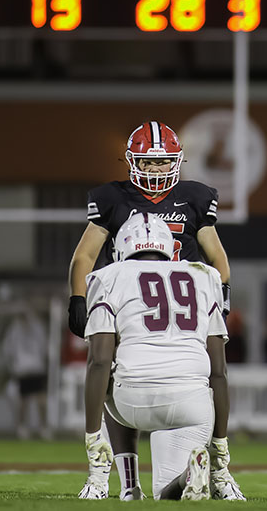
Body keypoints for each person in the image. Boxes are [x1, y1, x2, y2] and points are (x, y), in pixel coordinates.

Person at [67, 121, 244, 501]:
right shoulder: (115, 198)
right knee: (209, 377)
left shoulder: (191, 200)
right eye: (147, 163)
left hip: (161, 312)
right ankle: (217, 472)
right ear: (132, 163)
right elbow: (84, 254)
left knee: (108, 372)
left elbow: (217, 255)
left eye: (163, 162)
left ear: (177, 162)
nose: (156, 170)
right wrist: (220, 298)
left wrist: (83, 298)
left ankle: (111, 480)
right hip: (184, 309)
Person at [78, 212, 227, 501]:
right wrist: (220, 446)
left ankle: (128, 486)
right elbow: (219, 372)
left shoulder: (110, 276)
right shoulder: (204, 275)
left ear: (122, 250)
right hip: (192, 403)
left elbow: (99, 360)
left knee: (108, 374)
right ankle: (189, 475)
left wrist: (92, 436)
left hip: (134, 399)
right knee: (166, 491)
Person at [3, 309, 50, 440]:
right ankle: (22, 427)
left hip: (36, 368)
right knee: (24, 401)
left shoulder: (37, 327)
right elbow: (8, 348)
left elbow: (43, 346)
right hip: (23, 369)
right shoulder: (15, 329)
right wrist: (13, 366)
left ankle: (43, 427)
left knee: (40, 400)